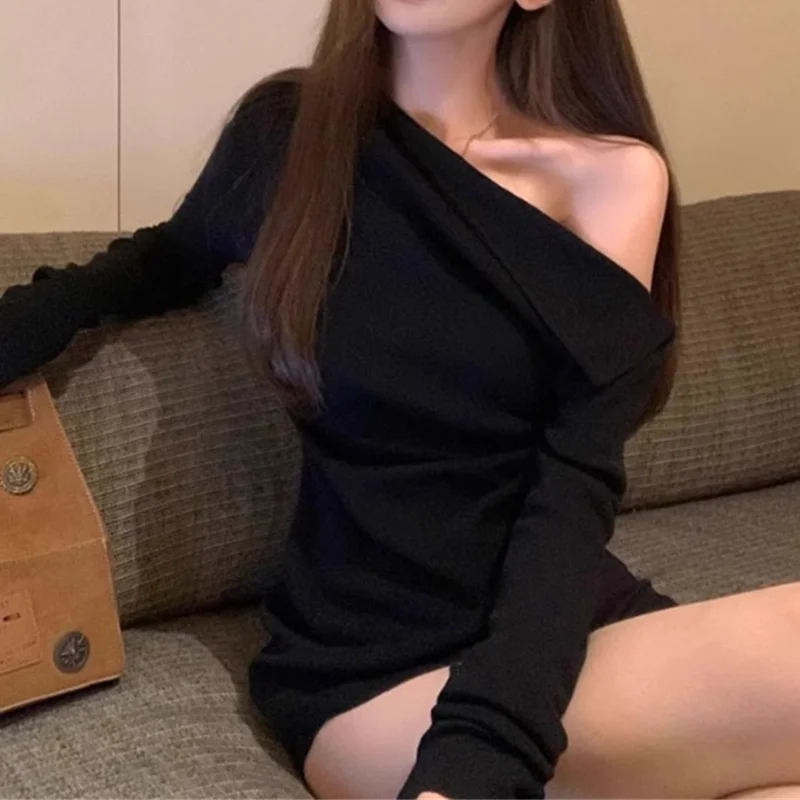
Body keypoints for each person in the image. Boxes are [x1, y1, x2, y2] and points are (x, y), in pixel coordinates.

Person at [2, 1, 799, 798]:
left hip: (563, 632)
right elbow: (159, 262)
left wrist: (484, 754)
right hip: (375, 673)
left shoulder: (612, 179)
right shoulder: (289, 134)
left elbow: (573, 488)